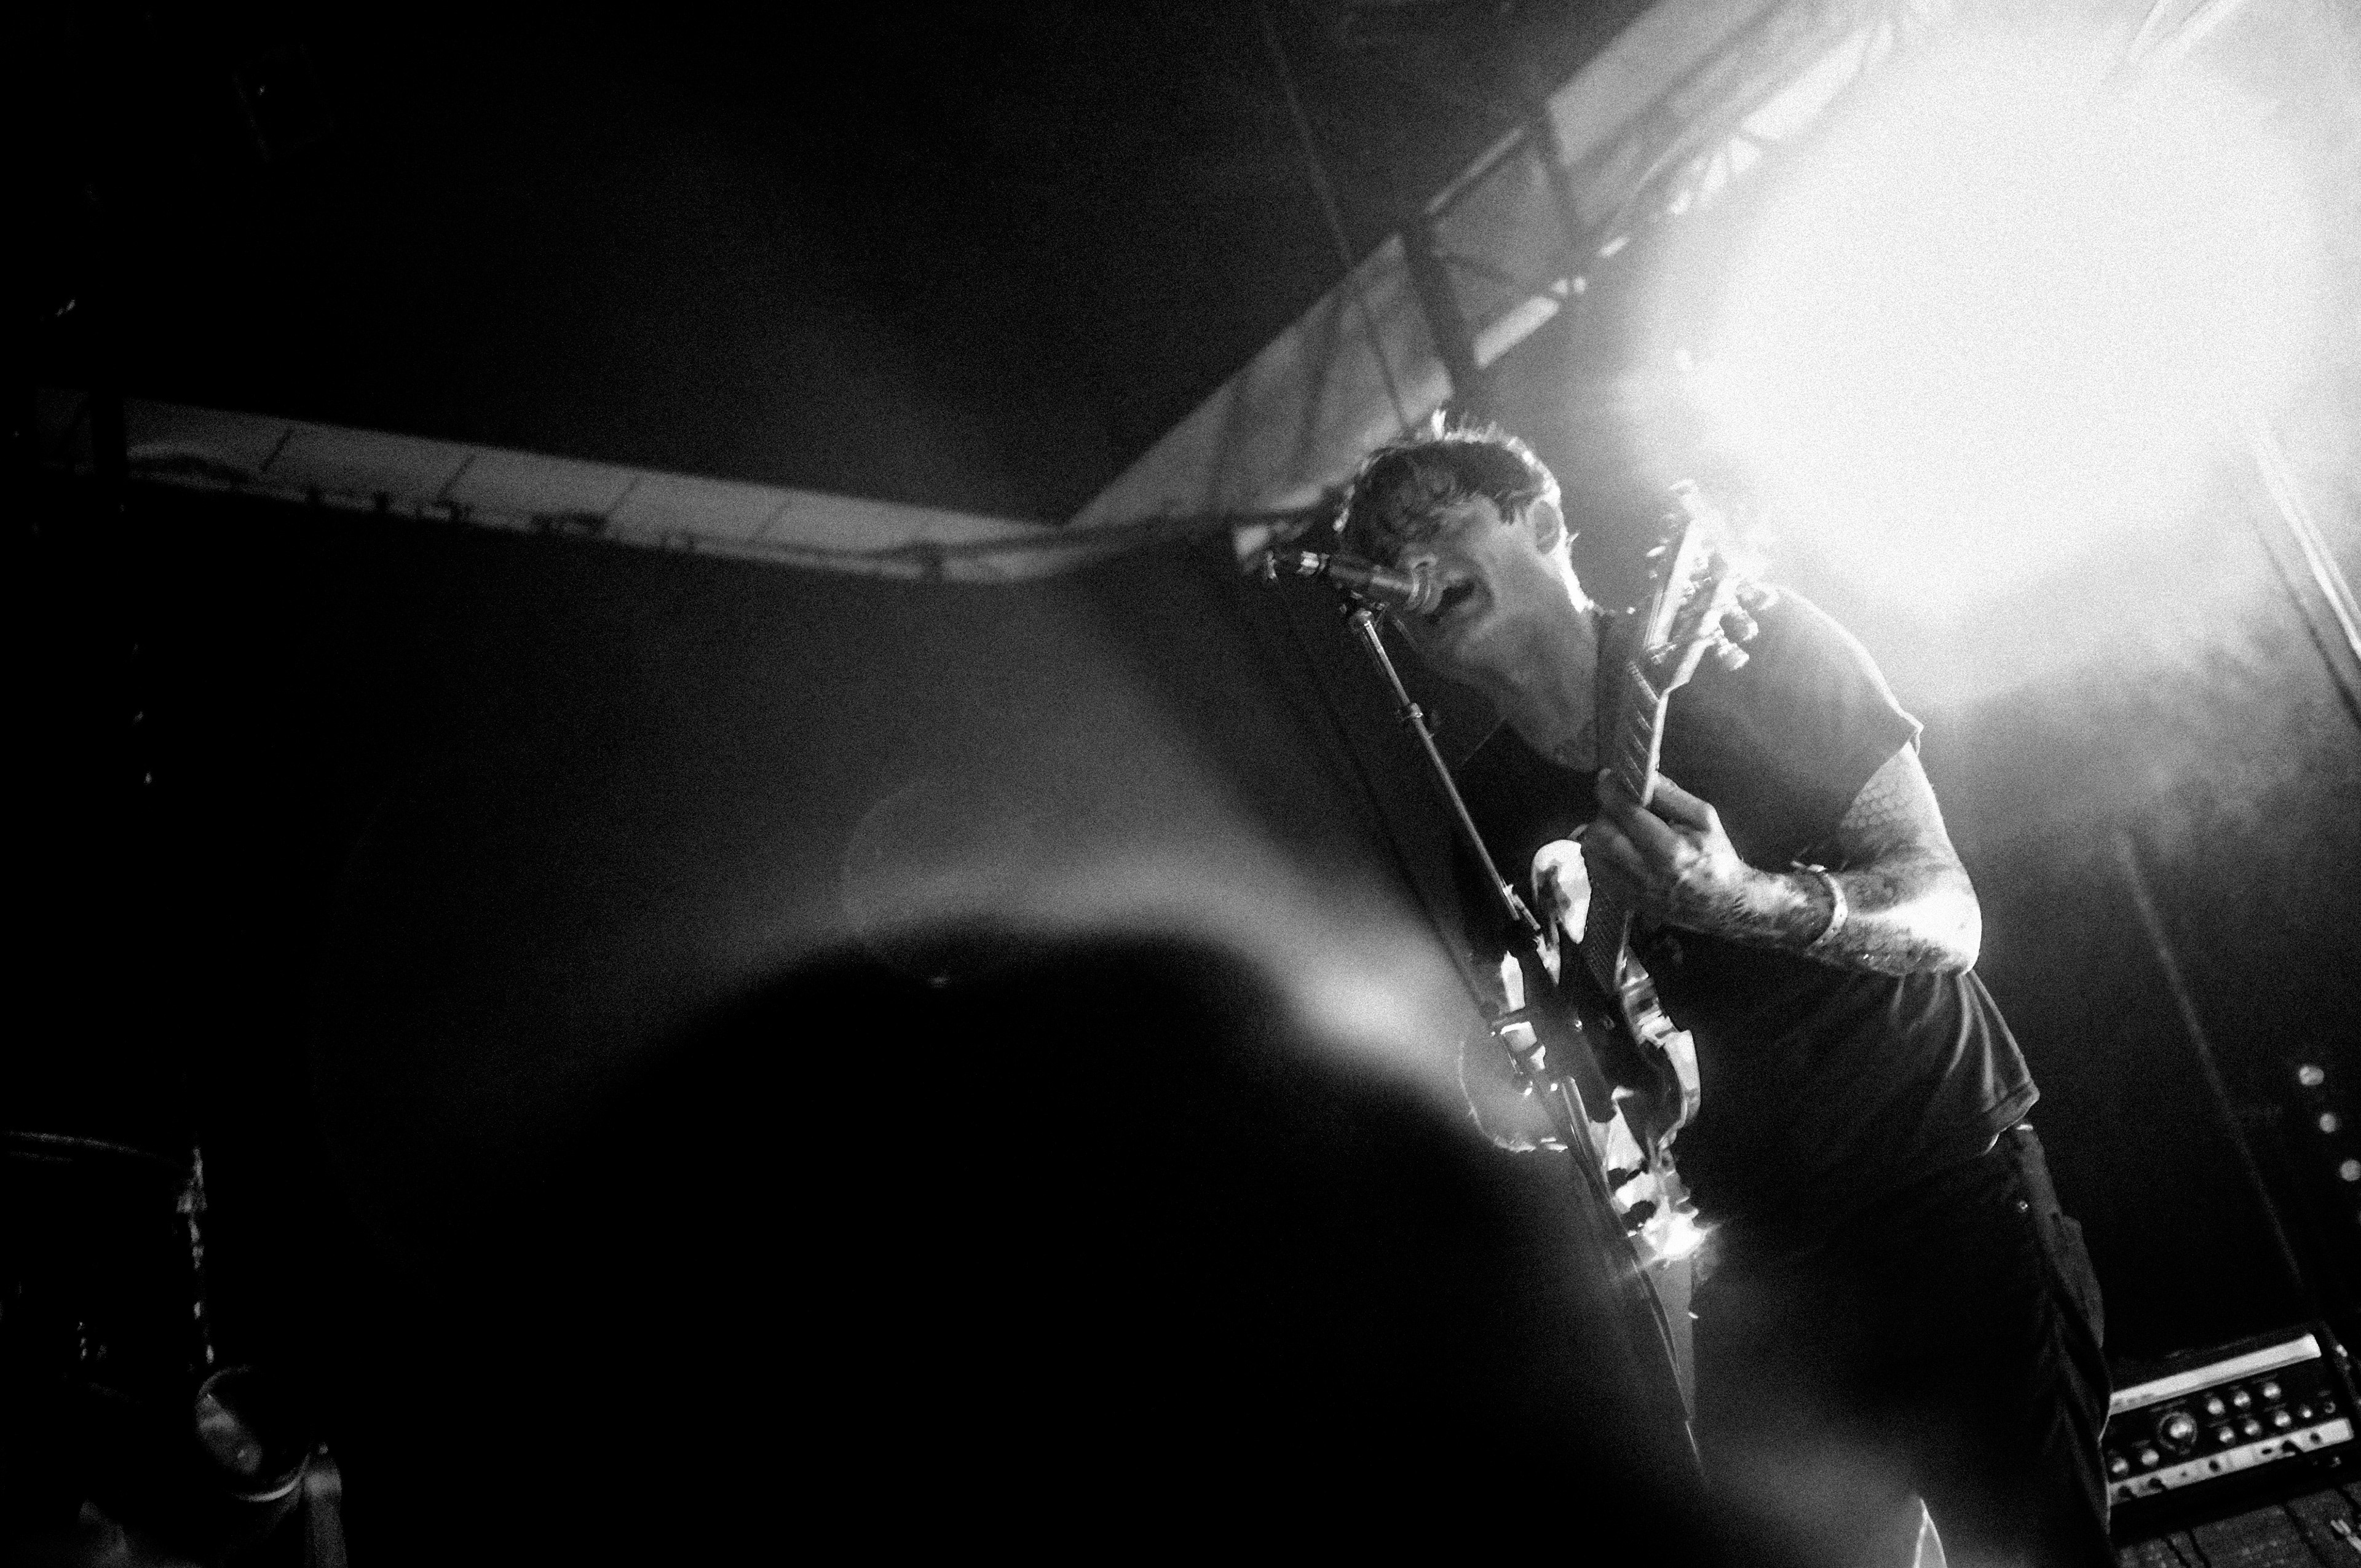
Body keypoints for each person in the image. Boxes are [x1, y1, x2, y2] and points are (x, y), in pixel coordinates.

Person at [1332, 422, 2113, 1567]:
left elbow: (1951, 915)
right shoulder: (1482, 808)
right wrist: (1502, 1083)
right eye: (1384, 560)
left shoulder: (1754, 649)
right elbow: (1561, 1060)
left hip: (1940, 1188)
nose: (1408, 567)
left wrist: (1751, 898)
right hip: (1756, 1261)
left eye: (1437, 527)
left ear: (1542, 524)